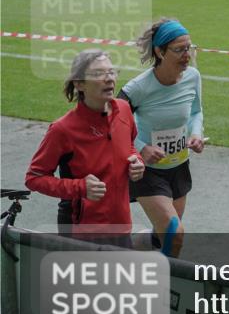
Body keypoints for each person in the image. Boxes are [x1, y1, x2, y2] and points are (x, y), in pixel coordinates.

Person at [25, 49, 145, 239]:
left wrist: (136, 162)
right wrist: (80, 187)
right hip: (80, 231)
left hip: (121, 225)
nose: (109, 79)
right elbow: (34, 177)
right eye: (98, 74)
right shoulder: (62, 129)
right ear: (79, 84)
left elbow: (129, 145)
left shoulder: (123, 110)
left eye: (111, 72)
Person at [119, 18, 204, 256]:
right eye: (179, 50)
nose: (187, 54)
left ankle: (124, 248)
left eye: (189, 48)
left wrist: (196, 133)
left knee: (162, 237)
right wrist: (141, 147)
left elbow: (196, 111)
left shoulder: (193, 77)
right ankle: (166, 287)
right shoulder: (138, 88)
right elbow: (114, 124)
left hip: (179, 166)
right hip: (147, 171)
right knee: (174, 233)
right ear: (160, 51)